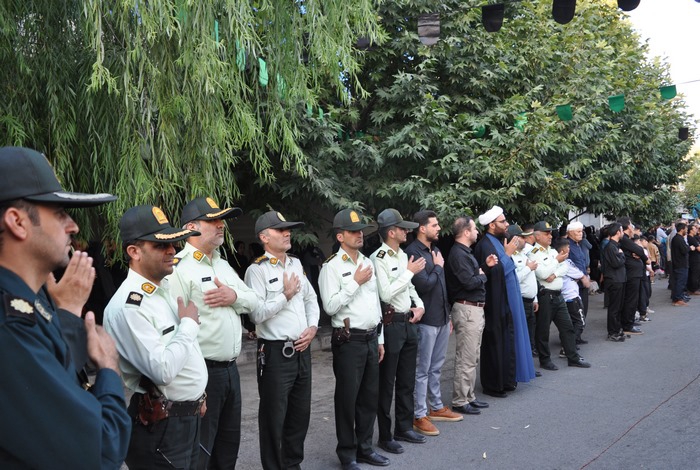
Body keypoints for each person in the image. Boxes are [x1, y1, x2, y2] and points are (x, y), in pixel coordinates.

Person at [0, 146, 130, 469]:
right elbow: (101, 449)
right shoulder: (10, 324)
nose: (73, 226)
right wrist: (109, 368)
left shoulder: (30, 303)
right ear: (17, 222)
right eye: (59, 213)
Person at [104, 205, 207, 469]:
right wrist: (188, 325)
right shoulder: (129, 306)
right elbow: (162, 370)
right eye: (160, 245)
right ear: (134, 252)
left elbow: (183, 354)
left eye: (172, 243)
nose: (172, 250)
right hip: (162, 427)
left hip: (186, 418)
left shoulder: (162, 290)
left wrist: (197, 394)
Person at [168, 196, 259, 469]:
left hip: (231, 370)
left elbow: (253, 301)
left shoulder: (221, 263)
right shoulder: (178, 269)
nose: (221, 225)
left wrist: (234, 297)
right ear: (191, 227)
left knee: (228, 446)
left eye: (221, 220)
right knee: (202, 450)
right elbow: (173, 328)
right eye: (213, 220)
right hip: (202, 372)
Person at [244, 211, 319, 470]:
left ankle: (292, 464)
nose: (287, 233)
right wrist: (285, 295)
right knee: (273, 418)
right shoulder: (257, 270)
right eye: (280, 229)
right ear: (264, 237)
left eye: (288, 229)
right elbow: (255, 314)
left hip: (302, 349)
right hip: (276, 353)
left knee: (300, 414)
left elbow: (310, 299)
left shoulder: (296, 264)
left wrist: (312, 327)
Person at [319, 209, 388, 470]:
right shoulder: (331, 267)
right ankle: (347, 453)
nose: (359, 235)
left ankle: (365, 448)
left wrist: (380, 338)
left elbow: (375, 303)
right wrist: (355, 282)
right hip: (349, 340)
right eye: (353, 231)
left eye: (361, 231)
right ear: (340, 236)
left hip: (370, 337)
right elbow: (330, 307)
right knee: (347, 400)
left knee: (369, 397)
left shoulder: (368, 261)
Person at [369, 208, 427, 454]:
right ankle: (385, 435)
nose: (406, 231)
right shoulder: (378, 258)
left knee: (406, 379)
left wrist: (420, 305)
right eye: (402, 228)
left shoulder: (403, 255)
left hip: (408, 321)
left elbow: (409, 287)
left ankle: (404, 427)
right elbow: (385, 293)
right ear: (391, 232)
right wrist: (409, 272)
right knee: (387, 383)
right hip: (391, 324)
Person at [404, 210, 463, 437]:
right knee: (422, 370)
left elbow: (441, 287)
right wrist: (438, 267)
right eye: (434, 225)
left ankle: (436, 406)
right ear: (422, 228)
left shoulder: (435, 250)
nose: (439, 229)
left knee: (436, 367)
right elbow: (424, 286)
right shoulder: (413, 253)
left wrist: (448, 315)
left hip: (441, 318)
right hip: (426, 321)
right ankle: (419, 414)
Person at [474, 207, 535, 397]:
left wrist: (506, 254)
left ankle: (507, 381)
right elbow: (494, 272)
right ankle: (494, 385)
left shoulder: (498, 242)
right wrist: (507, 254)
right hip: (495, 302)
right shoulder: (485, 245)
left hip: (506, 299)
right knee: (495, 343)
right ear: (492, 225)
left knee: (507, 341)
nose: (507, 224)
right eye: (503, 222)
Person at [445, 216, 494, 414]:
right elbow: (469, 282)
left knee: (472, 355)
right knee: (466, 357)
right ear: (466, 232)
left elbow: (473, 277)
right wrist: (482, 275)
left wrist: (483, 269)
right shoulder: (458, 254)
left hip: (473, 308)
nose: (477, 232)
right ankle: (460, 400)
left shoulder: (465, 253)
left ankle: (468, 396)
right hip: (467, 309)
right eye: (474, 229)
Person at [530, 221, 590, 370]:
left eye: (550, 233)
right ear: (537, 236)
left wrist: (555, 273)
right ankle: (545, 360)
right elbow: (543, 274)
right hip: (546, 296)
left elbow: (564, 268)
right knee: (543, 331)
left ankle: (573, 357)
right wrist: (556, 262)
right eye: (546, 233)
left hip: (558, 295)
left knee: (567, 327)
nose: (550, 236)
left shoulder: (551, 251)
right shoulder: (534, 253)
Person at [510, 224, 539, 359]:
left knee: (530, 333)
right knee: (521, 334)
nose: (525, 240)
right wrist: (528, 268)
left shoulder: (524, 253)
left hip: (530, 300)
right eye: (522, 237)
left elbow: (531, 279)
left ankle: (528, 362)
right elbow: (514, 279)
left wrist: (535, 298)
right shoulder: (511, 257)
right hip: (520, 300)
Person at [617, 217, 647, 335]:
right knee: (630, 299)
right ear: (628, 226)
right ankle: (627, 324)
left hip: (634, 272)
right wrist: (641, 254)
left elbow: (639, 251)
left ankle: (629, 321)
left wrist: (639, 254)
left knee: (632, 299)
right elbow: (640, 250)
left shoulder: (627, 239)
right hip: (631, 273)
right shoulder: (624, 239)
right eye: (631, 225)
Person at [566, 221, 591, 343]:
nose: (581, 234)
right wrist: (582, 277)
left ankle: (577, 336)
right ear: (570, 233)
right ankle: (571, 340)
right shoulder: (568, 246)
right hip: (574, 284)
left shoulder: (578, 245)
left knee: (583, 310)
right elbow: (568, 265)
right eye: (578, 232)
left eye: (581, 231)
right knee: (576, 312)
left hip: (583, 282)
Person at [602, 223, 627, 341]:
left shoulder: (615, 246)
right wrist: (622, 255)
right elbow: (616, 263)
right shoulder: (611, 247)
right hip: (614, 280)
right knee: (614, 308)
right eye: (622, 230)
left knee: (619, 307)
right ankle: (612, 332)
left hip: (619, 279)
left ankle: (617, 329)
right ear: (618, 232)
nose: (623, 233)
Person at [671, 222, 690, 306]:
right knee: (680, 282)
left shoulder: (678, 238)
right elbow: (684, 250)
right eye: (686, 229)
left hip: (680, 263)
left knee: (681, 281)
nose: (687, 231)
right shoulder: (678, 239)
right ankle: (678, 299)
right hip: (680, 264)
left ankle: (679, 297)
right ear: (682, 229)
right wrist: (689, 247)